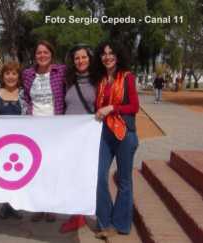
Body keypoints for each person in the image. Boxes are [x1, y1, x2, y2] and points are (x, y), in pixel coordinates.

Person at [94, 41, 139, 239]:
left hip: (125, 135)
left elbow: (134, 107)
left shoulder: (127, 77)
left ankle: (120, 224)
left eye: (111, 53)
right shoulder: (101, 80)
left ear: (118, 56)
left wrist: (112, 107)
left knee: (124, 181)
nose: (107, 57)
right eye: (104, 54)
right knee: (99, 176)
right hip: (104, 134)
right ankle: (105, 221)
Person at [22, 40, 66, 222]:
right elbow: (25, 97)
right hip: (35, 129)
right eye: (39, 53)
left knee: (52, 168)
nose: (42, 55)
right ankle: (39, 206)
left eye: (45, 52)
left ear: (51, 54)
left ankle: (51, 207)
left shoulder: (60, 71)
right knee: (37, 167)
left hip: (55, 128)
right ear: (35, 56)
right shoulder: (27, 74)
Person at [59, 44, 97, 233]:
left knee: (85, 176)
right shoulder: (69, 81)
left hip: (88, 137)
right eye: (77, 58)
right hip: (70, 136)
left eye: (84, 57)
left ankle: (81, 215)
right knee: (71, 176)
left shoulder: (98, 81)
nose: (80, 61)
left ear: (90, 59)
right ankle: (75, 214)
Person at [0, 61, 26, 219]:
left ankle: (14, 205)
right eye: (7, 73)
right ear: (2, 76)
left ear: (18, 76)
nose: (10, 76)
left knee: (17, 175)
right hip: (1, 143)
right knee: (3, 174)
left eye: (14, 73)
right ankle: (5, 205)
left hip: (20, 142)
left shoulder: (23, 94)